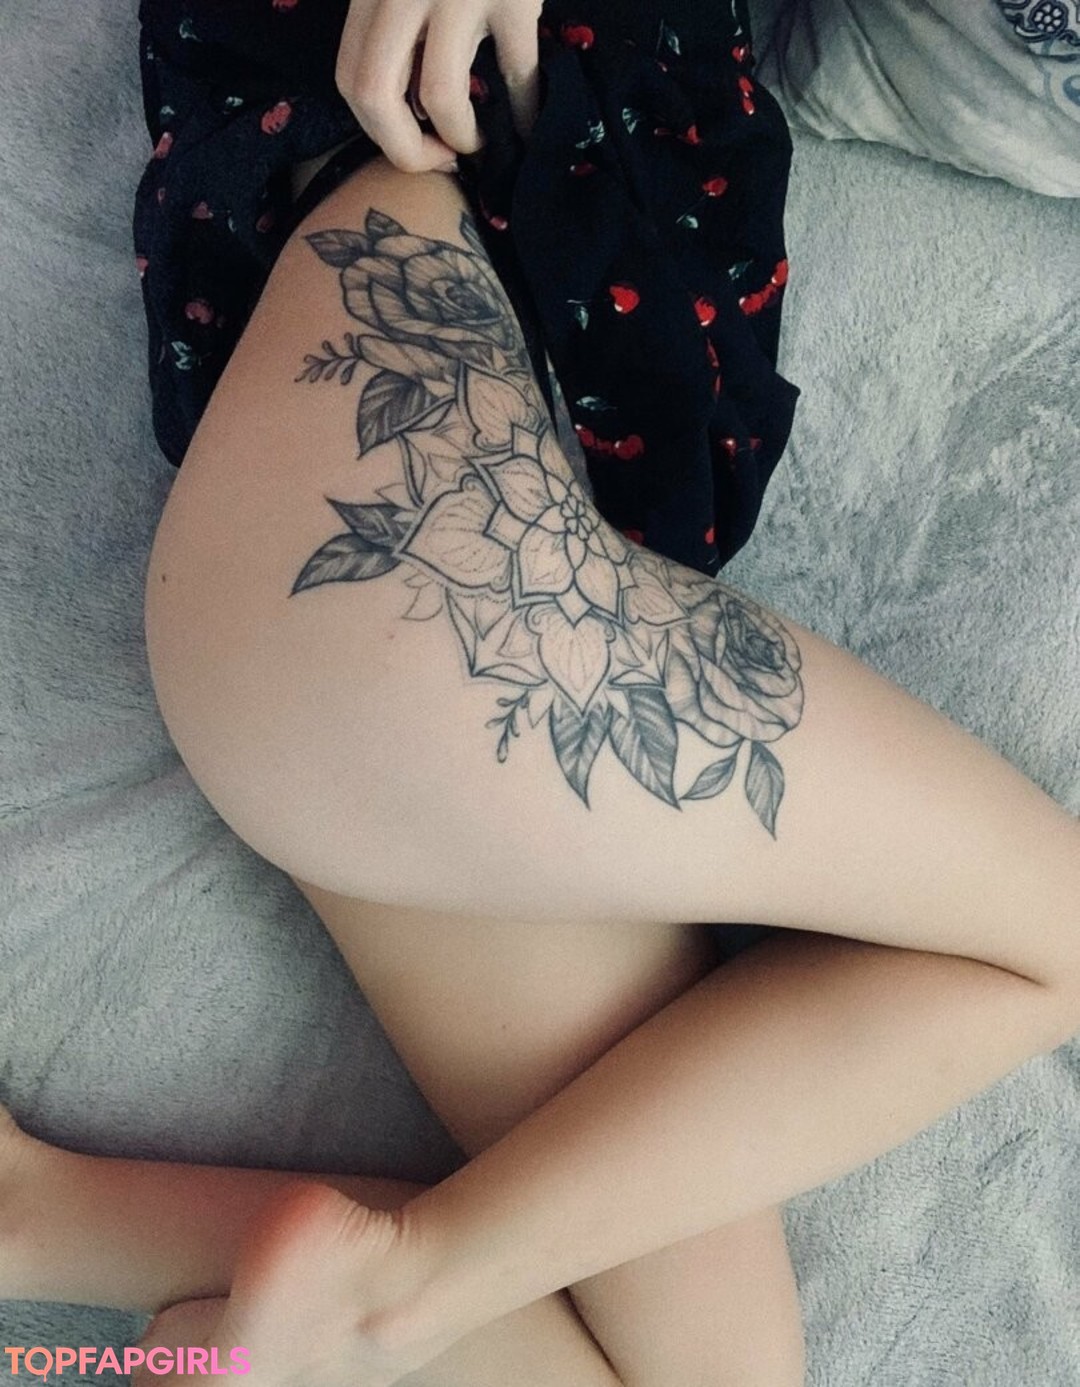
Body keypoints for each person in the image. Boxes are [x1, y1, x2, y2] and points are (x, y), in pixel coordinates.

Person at [3, 3, 1078, 1387]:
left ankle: (58, 1228)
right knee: (1053, 934)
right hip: (412, 564)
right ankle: (399, 1289)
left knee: (716, 1379)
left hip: (387, 668)